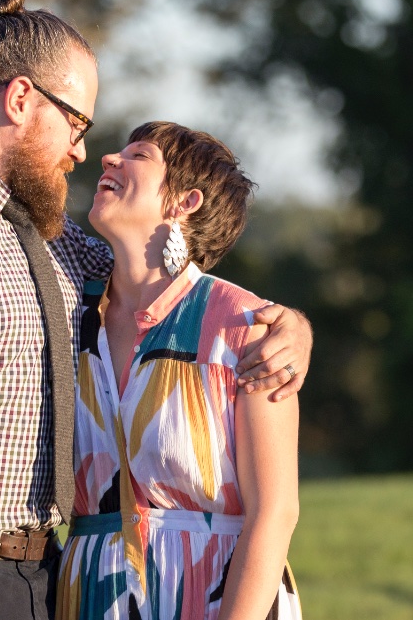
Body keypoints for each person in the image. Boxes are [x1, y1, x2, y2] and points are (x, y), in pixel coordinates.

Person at [0, 0, 312, 620]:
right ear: (21, 99)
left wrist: (291, 327)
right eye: (76, 123)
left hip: (34, 579)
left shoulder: (46, 239)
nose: (84, 151)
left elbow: (161, 281)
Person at [57, 122, 300, 620]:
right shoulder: (71, 312)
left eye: (138, 156)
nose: (108, 160)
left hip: (216, 595)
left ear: (184, 202)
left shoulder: (244, 328)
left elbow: (274, 513)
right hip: (90, 593)